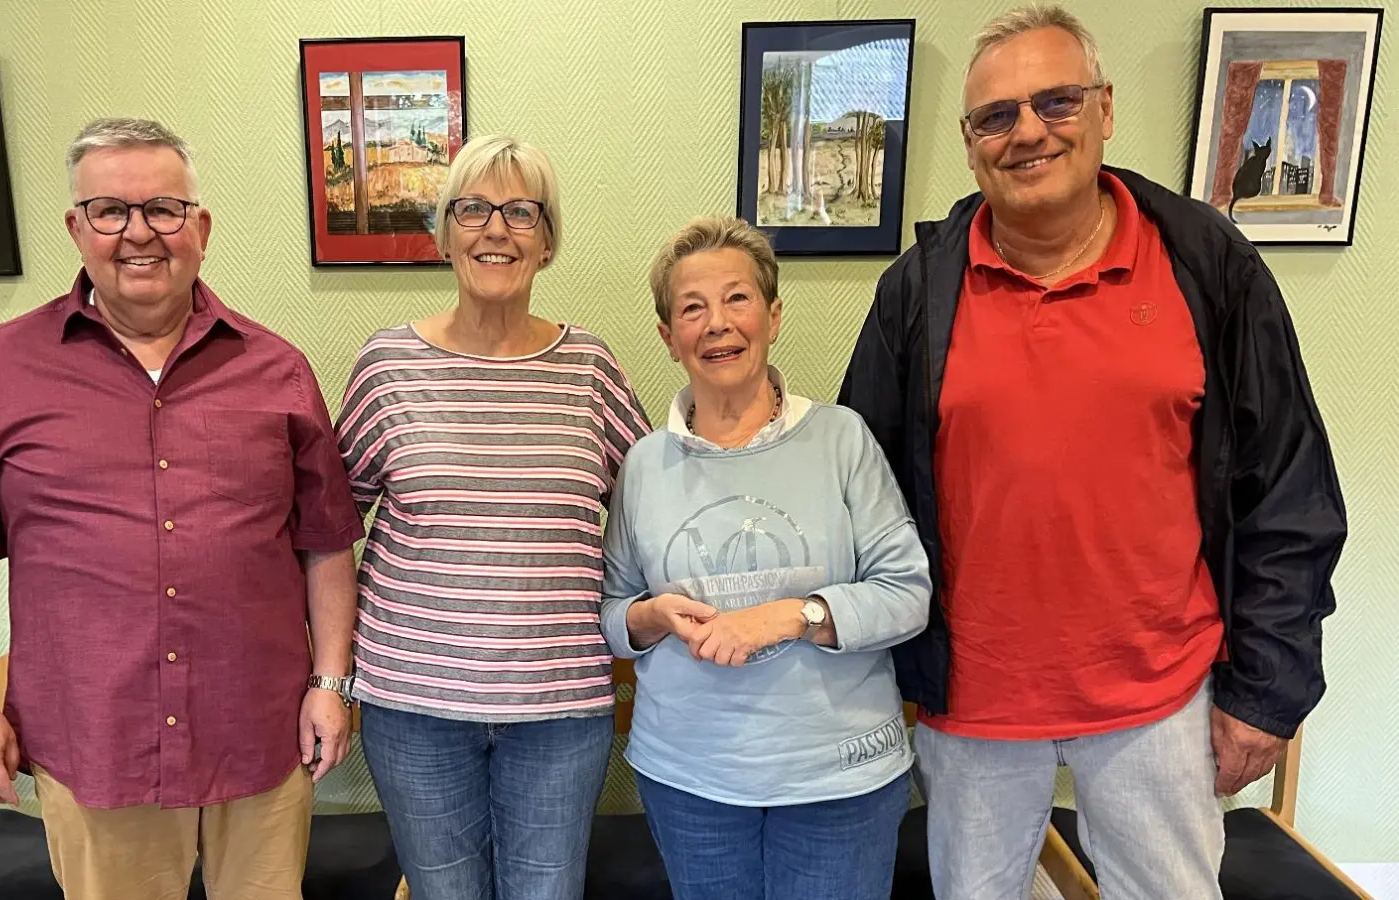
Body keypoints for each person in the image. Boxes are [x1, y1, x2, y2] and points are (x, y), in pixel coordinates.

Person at [836, 8, 1348, 899]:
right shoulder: (918, 290)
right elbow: (859, 488)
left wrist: (1264, 693)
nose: (1028, 131)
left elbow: (1288, 493)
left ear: (1105, 109)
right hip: (972, 707)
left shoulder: (1206, 264)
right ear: (969, 143)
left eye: (1056, 101)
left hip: (1162, 700)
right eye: (997, 116)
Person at [0, 117, 367, 900]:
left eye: (163, 209)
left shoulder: (276, 368)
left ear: (200, 228)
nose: (139, 233)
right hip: (95, 737)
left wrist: (330, 681)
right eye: (110, 211)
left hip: (258, 727)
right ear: (77, 228)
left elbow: (325, 545)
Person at [333, 134, 652, 900]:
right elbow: (329, 525)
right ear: (445, 235)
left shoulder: (591, 369)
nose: (496, 230)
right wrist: (329, 672)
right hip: (413, 705)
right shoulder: (387, 366)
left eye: (520, 212)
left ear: (547, 242)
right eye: (473, 209)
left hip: (559, 707)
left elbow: (656, 507)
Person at [598, 216, 932, 900]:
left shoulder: (842, 439)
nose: (717, 323)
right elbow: (612, 612)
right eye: (693, 308)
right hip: (690, 780)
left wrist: (793, 616)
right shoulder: (643, 464)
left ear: (773, 315)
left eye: (737, 299)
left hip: (841, 779)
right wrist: (651, 615)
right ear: (668, 337)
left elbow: (908, 593)